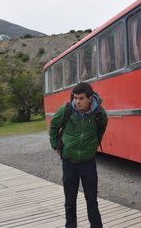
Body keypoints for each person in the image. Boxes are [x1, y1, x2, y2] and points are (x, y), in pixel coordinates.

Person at [49, 82, 108, 228]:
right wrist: (56, 145)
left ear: (90, 98)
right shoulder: (66, 110)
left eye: (81, 98)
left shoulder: (99, 113)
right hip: (69, 163)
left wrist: (93, 145)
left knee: (92, 200)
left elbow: (100, 130)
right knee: (70, 200)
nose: (77, 101)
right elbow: (54, 127)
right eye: (75, 98)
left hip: (88, 163)